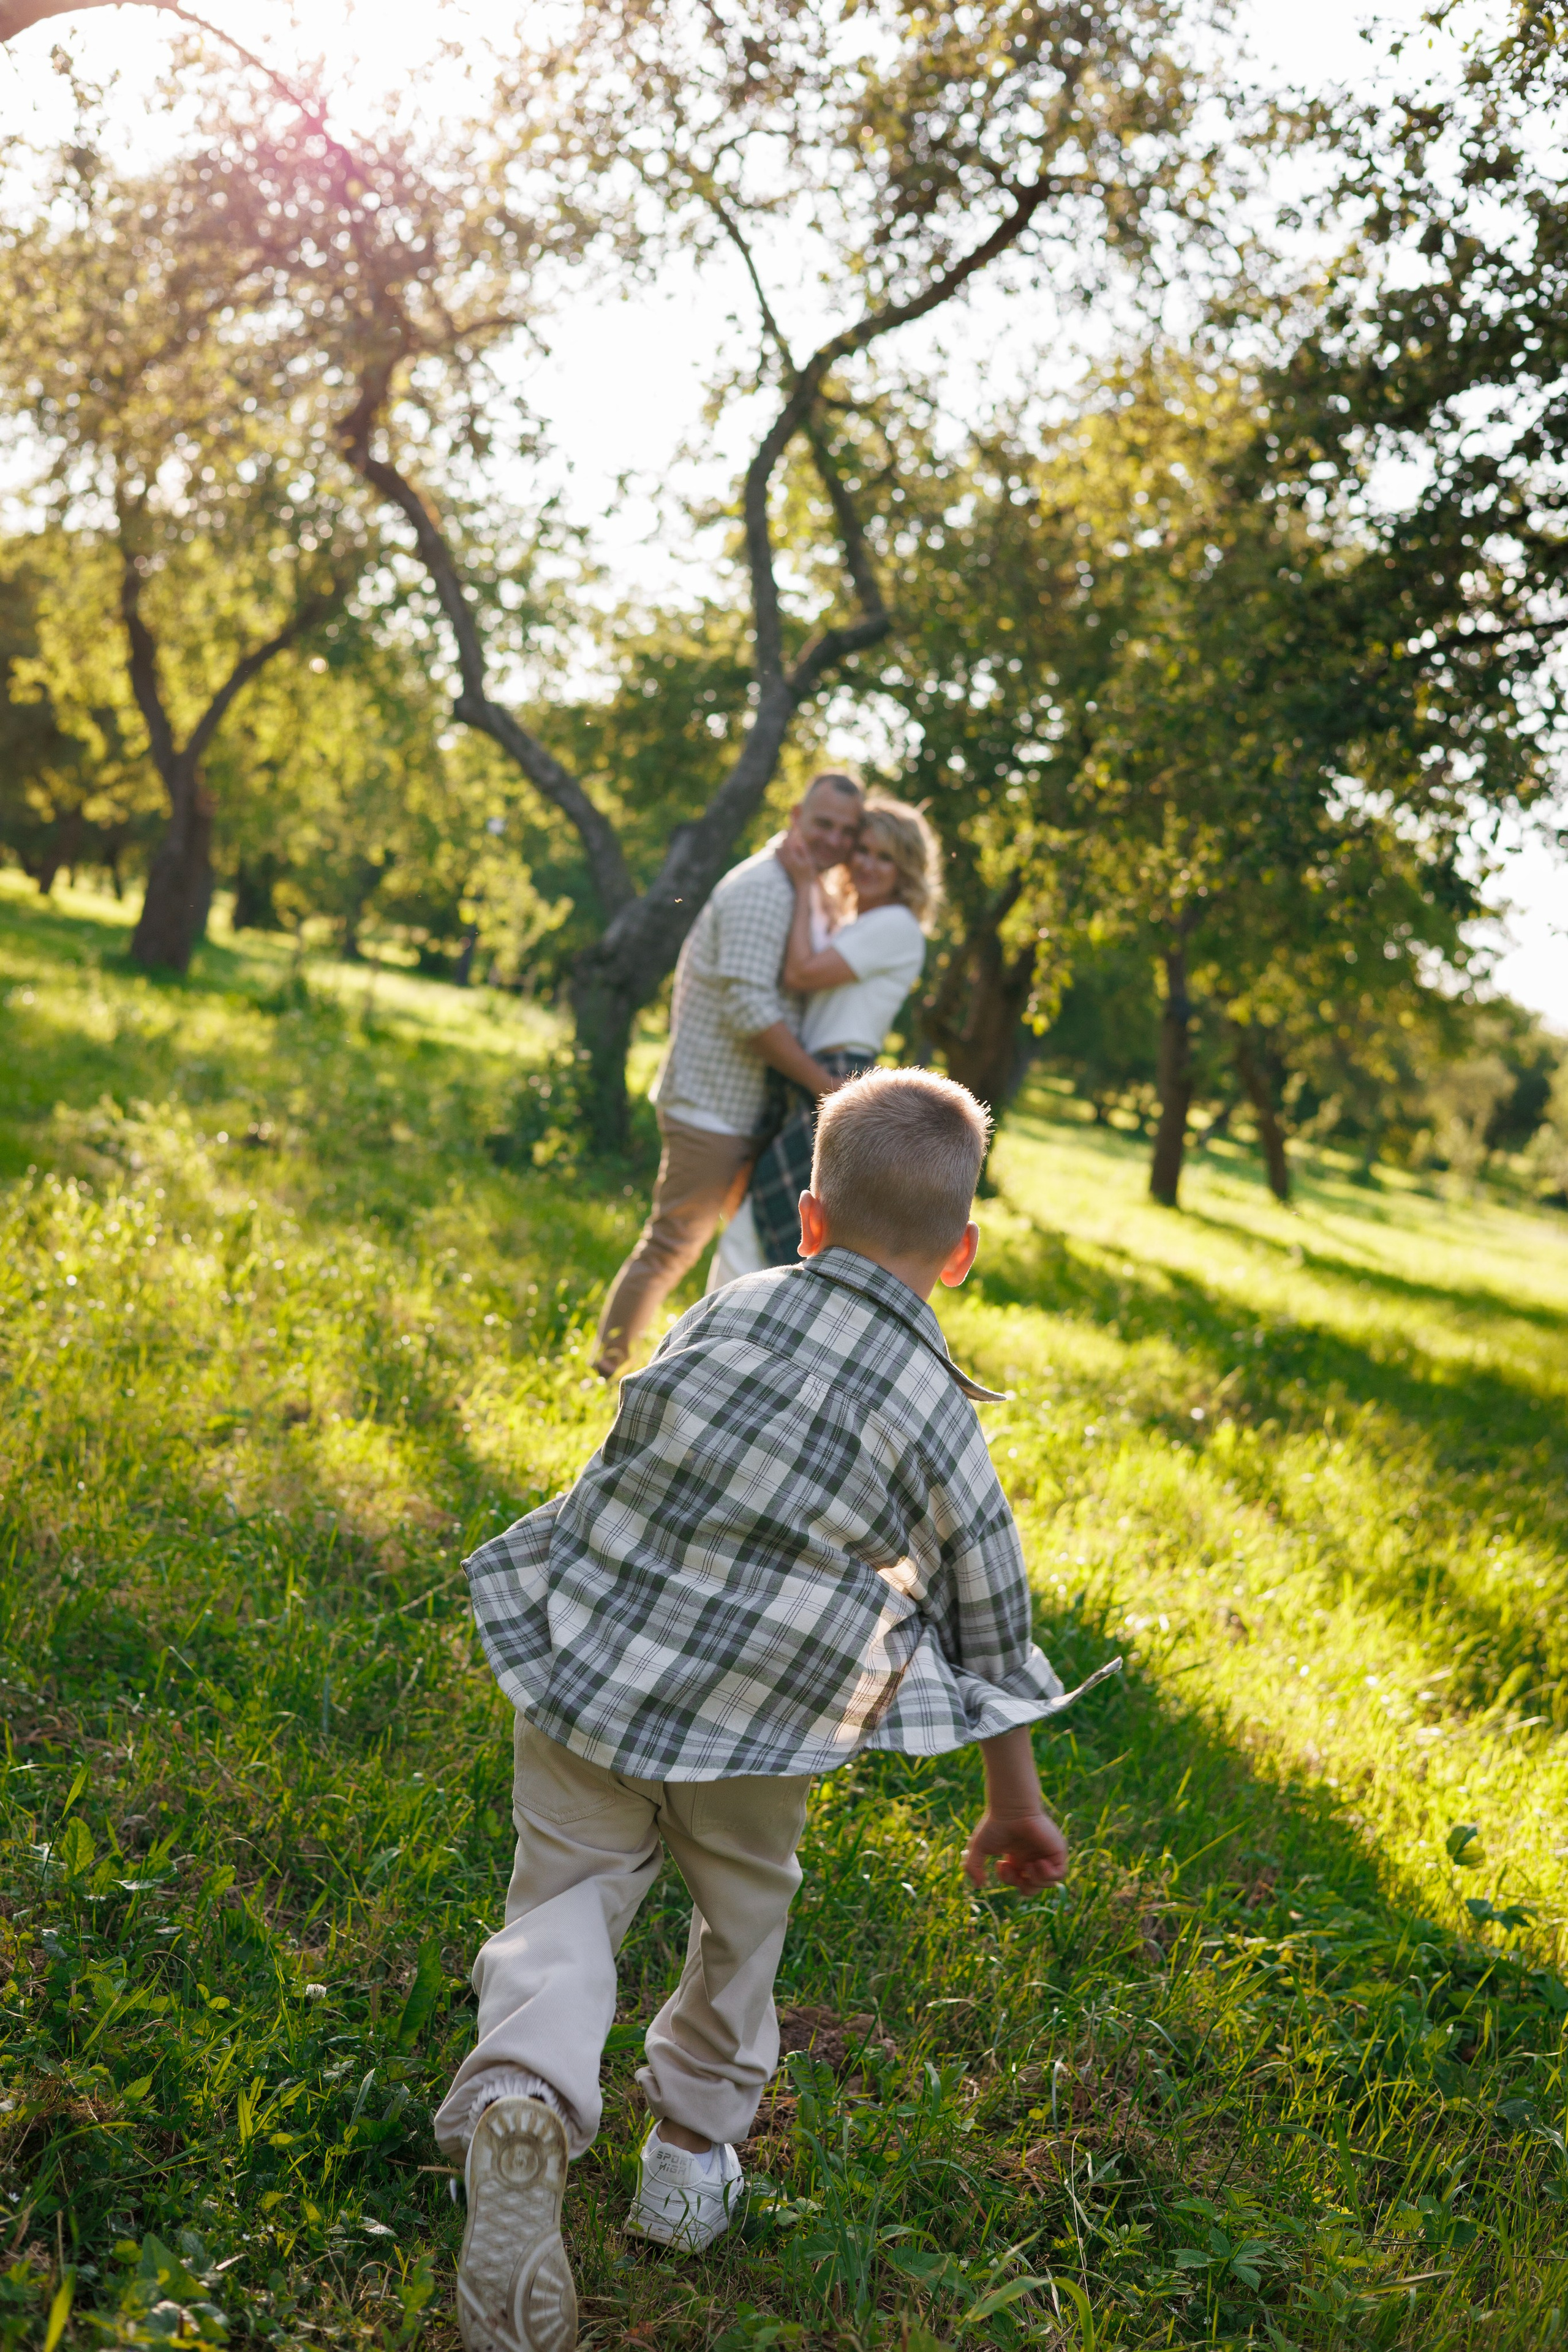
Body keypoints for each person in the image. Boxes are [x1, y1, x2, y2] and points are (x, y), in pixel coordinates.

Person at [441, 1068, 1121, 2352]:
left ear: (805, 1219)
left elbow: (631, 1448)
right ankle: (689, 2154)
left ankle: (524, 2088)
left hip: (596, 1663)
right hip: (760, 1725)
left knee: (566, 1893)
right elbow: (991, 1616)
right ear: (960, 1255)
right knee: (740, 1920)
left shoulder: (729, 1308)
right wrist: (1011, 1800)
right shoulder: (938, 1411)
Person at [590, 769, 863, 1380]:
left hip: (745, 1107)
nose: (835, 840)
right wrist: (832, 1091)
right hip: (711, 1105)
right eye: (824, 824)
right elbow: (750, 1013)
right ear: (795, 816)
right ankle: (604, 1372)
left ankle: (698, 1375)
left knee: (735, 1253)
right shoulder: (764, 888)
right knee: (671, 1245)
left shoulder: (803, 889)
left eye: (848, 832)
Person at [708, 795, 941, 1286]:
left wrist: (802, 882)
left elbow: (800, 972)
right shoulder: (862, 922)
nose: (868, 865)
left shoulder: (896, 925)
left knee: (760, 1232)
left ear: (907, 871)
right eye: (864, 850)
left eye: (886, 858)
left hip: (834, 1074)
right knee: (768, 1224)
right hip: (811, 1071)